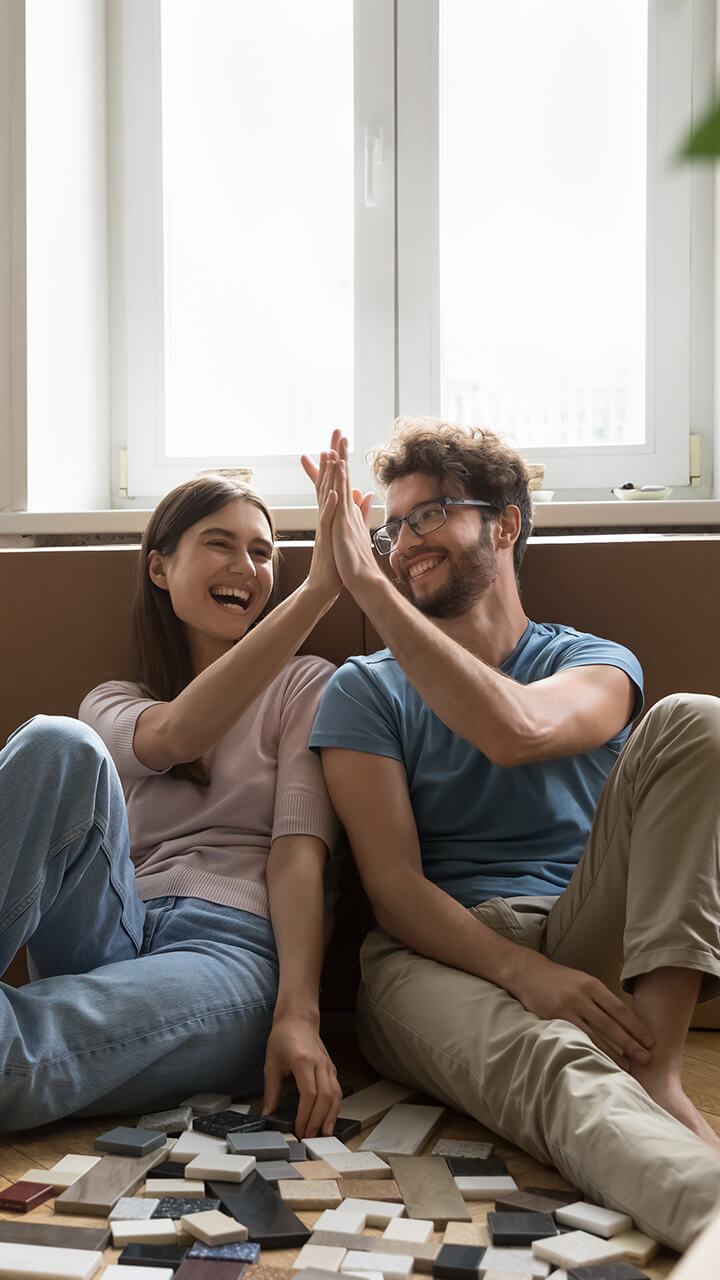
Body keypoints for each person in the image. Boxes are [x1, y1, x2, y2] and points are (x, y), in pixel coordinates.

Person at [304, 419, 720, 1251]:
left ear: (504, 523)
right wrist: (523, 973)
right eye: (390, 528)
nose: (401, 544)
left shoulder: (594, 661)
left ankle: (657, 1065)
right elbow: (394, 889)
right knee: (556, 1071)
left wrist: (370, 592)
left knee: (697, 720)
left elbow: (517, 731)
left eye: (427, 516)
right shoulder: (361, 692)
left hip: (584, 931)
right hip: (434, 959)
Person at [0, 457, 368, 1135]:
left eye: (263, 553)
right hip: (109, 928)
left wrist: (298, 1014)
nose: (248, 567)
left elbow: (298, 859)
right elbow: (176, 734)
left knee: (19, 1047)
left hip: (226, 954)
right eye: (220, 544)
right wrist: (316, 592)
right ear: (160, 567)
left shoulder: (306, 685)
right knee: (58, 741)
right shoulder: (114, 703)